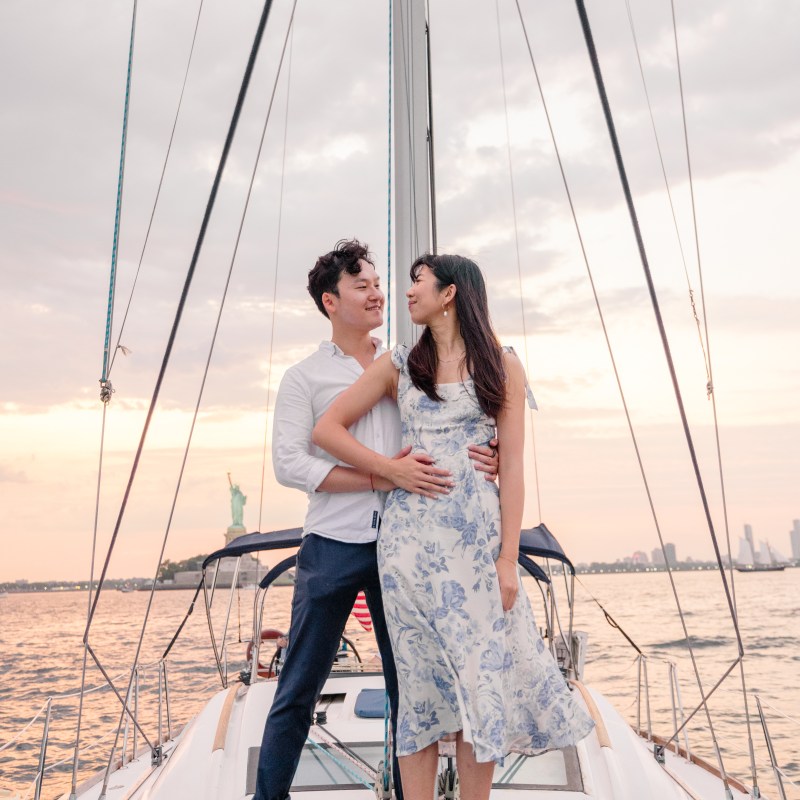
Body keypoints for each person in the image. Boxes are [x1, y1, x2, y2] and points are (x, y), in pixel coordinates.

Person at [313, 254, 594, 800]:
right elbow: (327, 429)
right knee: (418, 696)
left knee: (479, 686)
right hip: (409, 551)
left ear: (449, 293)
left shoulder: (502, 366)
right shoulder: (399, 364)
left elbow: (513, 469)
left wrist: (508, 559)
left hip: (477, 548)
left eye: (417, 282)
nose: (407, 292)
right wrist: (388, 470)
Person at [253, 240, 498, 800]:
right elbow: (290, 463)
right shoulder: (304, 377)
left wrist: (496, 451)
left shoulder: (409, 363)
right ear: (330, 301)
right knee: (299, 687)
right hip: (333, 544)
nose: (377, 294)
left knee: (410, 689)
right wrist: (379, 475)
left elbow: (454, 421)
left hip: (405, 546)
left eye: (379, 284)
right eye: (361, 286)